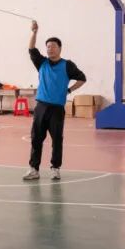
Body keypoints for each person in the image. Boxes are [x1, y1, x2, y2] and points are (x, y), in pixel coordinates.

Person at [23, 20, 86, 181]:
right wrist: (34, 32)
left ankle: (55, 168)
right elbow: (31, 49)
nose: (50, 49)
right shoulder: (41, 63)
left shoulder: (67, 65)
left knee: (57, 140)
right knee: (36, 139)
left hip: (57, 109)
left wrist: (69, 90)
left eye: (53, 46)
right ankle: (34, 169)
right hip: (41, 106)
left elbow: (82, 78)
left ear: (60, 48)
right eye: (48, 47)